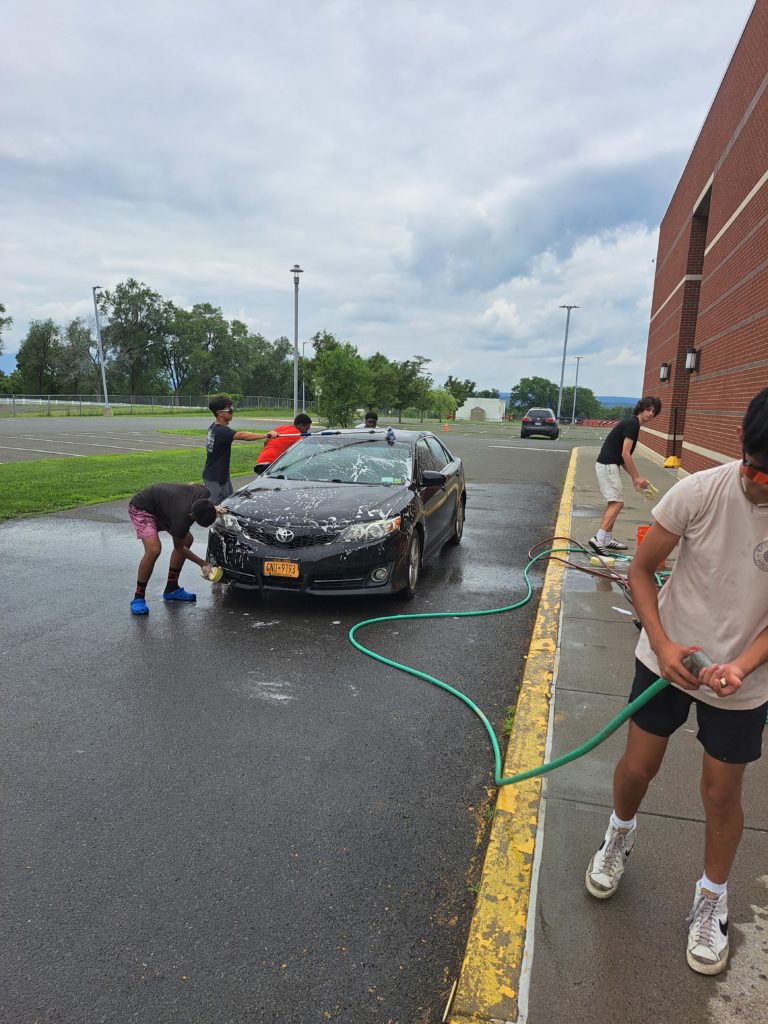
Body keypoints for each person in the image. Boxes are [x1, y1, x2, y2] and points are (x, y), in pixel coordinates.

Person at [585, 387, 768, 976]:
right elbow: (639, 569)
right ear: (744, 448)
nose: (763, 484)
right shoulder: (698, 491)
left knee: (721, 793)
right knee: (638, 767)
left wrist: (741, 665)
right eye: (759, 470)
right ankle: (618, 836)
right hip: (667, 655)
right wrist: (662, 644)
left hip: (742, 677)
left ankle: (711, 899)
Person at [128, 482, 218, 615]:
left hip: (164, 508)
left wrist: (214, 509)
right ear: (191, 516)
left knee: (188, 539)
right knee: (154, 550)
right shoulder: (181, 519)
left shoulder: (203, 492)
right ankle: (138, 597)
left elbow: (192, 484)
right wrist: (203, 564)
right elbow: (180, 548)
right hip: (142, 508)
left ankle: (171, 588)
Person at [589, 397, 662, 556]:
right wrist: (636, 477)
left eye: (654, 412)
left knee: (614, 502)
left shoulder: (632, 423)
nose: (651, 414)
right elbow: (625, 453)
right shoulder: (633, 424)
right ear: (641, 408)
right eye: (648, 409)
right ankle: (598, 538)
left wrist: (634, 476)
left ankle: (607, 538)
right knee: (617, 503)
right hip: (607, 465)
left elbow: (622, 458)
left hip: (609, 465)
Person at [203, 396, 275, 503]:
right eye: (230, 410)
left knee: (227, 504)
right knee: (212, 509)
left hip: (222, 475)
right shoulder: (221, 431)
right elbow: (242, 435)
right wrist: (265, 435)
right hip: (214, 478)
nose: (232, 412)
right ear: (220, 413)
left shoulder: (214, 427)